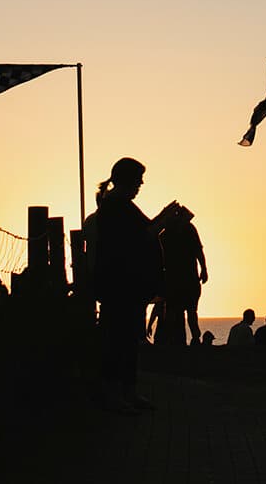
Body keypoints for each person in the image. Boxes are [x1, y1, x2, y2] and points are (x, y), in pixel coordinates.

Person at [86, 157, 171, 413]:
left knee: (128, 339)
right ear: (127, 180)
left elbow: (144, 230)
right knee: (118, 340)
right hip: (120, 284)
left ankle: (127, 392)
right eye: (138, 180)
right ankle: (116, 395)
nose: (141, 184)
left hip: (128, 284)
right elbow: (139, 237)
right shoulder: (116, 206)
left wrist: (162, 218)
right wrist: (164, 221)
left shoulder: (120, 205)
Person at [159, 204, 209, 346]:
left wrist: (204, 269)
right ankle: (186, 339)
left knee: (179, 311)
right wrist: (204, 269)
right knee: (184, 311)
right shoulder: (179, 231)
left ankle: (184, 339)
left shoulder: (167, 233)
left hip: (179, 278)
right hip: (182, 278)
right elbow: (199, 251)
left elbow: (198, 251)